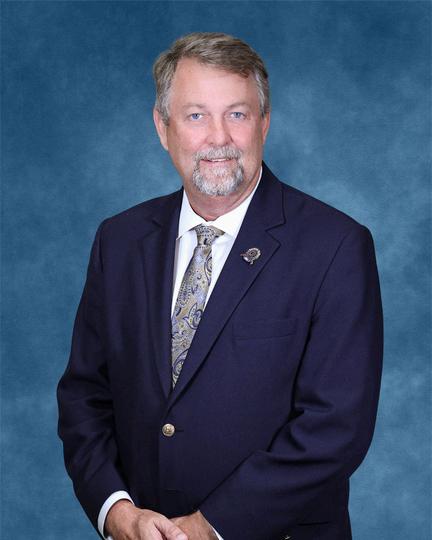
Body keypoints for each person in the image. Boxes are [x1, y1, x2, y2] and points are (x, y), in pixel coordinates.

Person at [57, 32, 383, 540]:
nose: (218, 138)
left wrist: (211, 526)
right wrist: (116, 512)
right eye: (195, 116)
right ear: (162, 128)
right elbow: (85, 397)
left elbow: (336, 427)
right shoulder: (119, 241)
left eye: (237, 114)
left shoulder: (336, 247)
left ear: (264, 123)